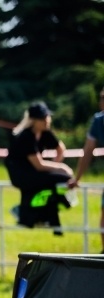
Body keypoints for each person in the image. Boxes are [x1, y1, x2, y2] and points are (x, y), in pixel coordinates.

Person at [4, 101, 73, 229]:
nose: (46, 120)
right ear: (33, 120)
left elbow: (60, 149)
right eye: (42, 118)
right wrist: (61, 168)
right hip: (20, 174)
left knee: (59, 179)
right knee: (62, 178)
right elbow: (39, 165)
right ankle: (38, 212)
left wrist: (55, 166)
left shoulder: (45, 132)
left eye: (47, 116)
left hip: (34, 171)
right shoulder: (26, 136)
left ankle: (38, 213)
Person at [69, 86, 104, 253]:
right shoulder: (99, 121)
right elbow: (88, 151)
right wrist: (78, 178)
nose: (101, 102)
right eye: (101, 98)